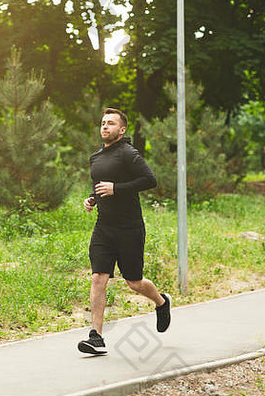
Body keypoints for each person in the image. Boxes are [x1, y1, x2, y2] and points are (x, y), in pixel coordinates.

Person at [77, 107, 171, 355]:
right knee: (98, 277)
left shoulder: (129, 153)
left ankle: (161, 302)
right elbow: (97, 187)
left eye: (111, 123)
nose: (105, 126)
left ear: (122, 129)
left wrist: (116, 188)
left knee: (135, 282)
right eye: (103, 123)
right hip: (104, 228)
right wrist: (91, 199)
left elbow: (149, 180)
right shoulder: (96, 157)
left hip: (129, 229)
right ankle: (96, 336)